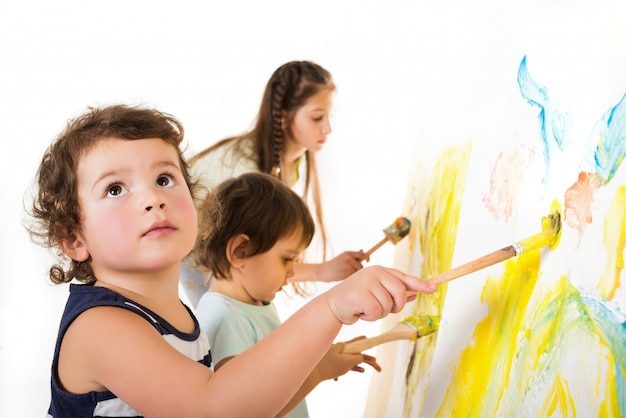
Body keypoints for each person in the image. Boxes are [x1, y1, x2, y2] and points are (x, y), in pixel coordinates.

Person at [25, 104, 437, 417]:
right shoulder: (101, 327)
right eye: (115, 189)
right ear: (74, 238)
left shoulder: (176, 314)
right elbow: (214, 407)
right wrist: (331, 306)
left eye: (165, 179)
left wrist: (317, 367)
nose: (153, 198)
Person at [181, 60, 368, 307]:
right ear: (282, 117)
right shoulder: (248, 177)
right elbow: (254, 260)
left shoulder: (292, 159)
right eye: (317, 117)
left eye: (329, 116)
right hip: (199, 259)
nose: (328, 128)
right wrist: (323, 271)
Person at [193, 172, 380, 417]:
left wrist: (323, 357)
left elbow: (274, 372)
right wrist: (319, 371)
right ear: (239, 251)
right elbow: (248, 411)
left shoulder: (253, 303)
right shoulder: (226, 317)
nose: (293, 271)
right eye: (287, 259)